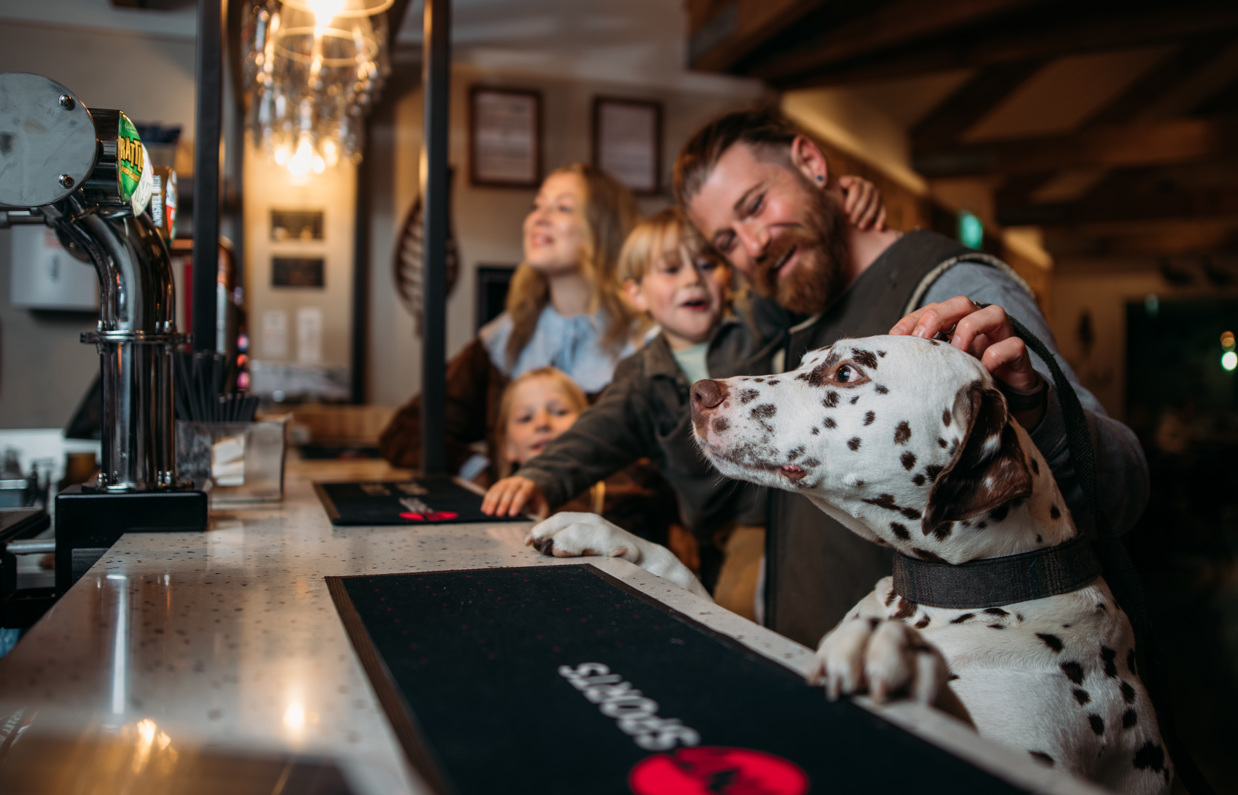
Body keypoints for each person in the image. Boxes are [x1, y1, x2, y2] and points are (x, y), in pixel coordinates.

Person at [673, 107, 1149, 645]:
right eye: (727, 241)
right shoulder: (798, 310)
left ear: (812, 161)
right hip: (824, 670)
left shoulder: (957, 288)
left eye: (757, 205)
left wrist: (1037, 411)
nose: (753, 244)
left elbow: (1124, 493)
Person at [483, 189, 885, 617]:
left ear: (728, 276)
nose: (693, 279)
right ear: (636, 294)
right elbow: (594, 435)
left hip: (805, 505)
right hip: (732, 528)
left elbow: (802, 274)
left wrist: (844, 210)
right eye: (671, 270)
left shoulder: (757, 321)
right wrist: (539, 477)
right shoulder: (640, 378)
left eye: (707, 264)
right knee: (734, 613)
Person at [379, 163, 644, 483]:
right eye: (537, 206)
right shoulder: (503, 339)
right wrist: (480, 470)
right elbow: (406, 430)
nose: (538, 218)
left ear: (605, 228)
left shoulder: (645, 342)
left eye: (562, 207)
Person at [493, 366, 678, 548]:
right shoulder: (495, 512)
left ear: (588, 428)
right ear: (506, 446)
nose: (542, 423)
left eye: (559, 412)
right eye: (525, 418)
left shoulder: (632, 498)